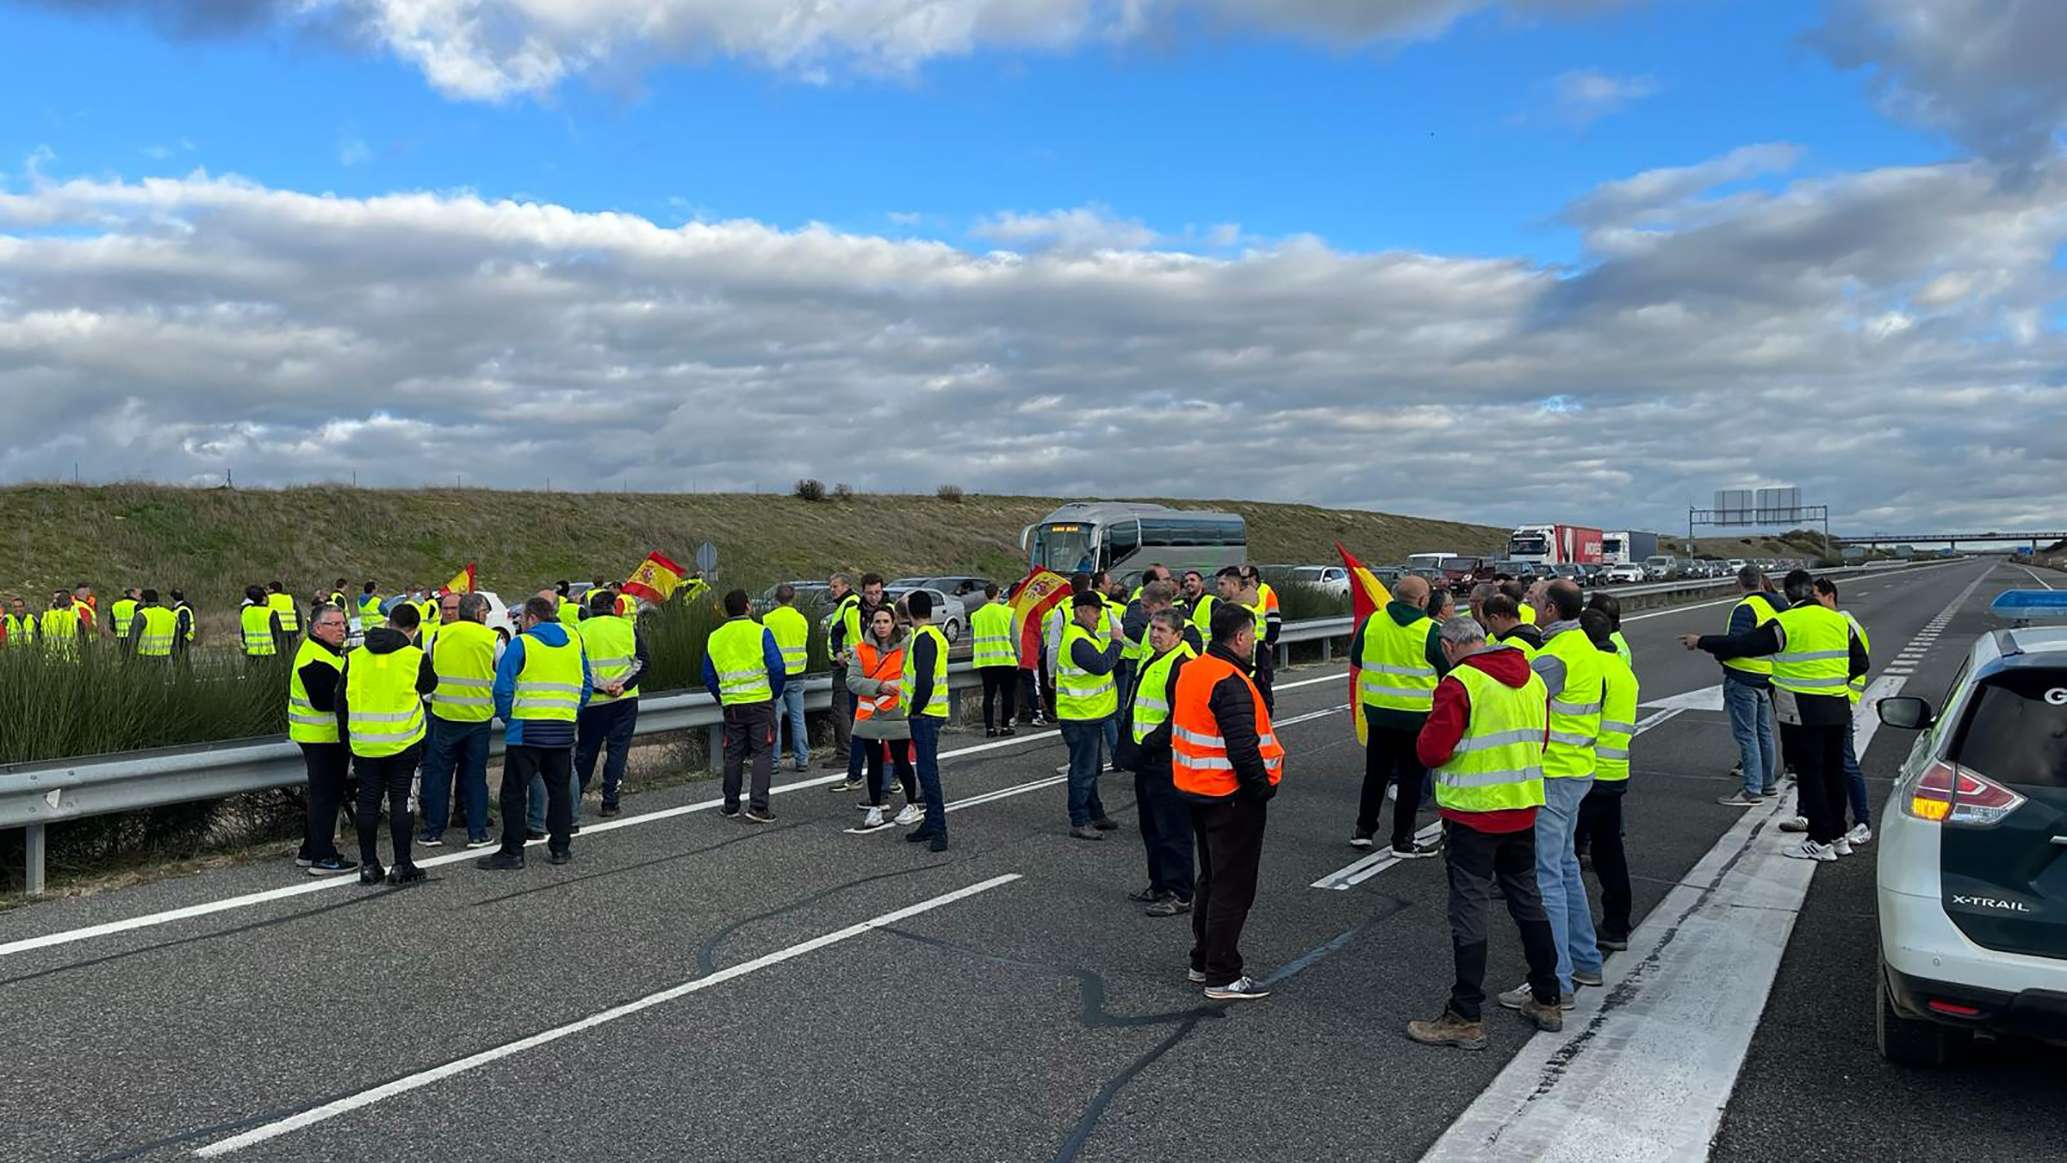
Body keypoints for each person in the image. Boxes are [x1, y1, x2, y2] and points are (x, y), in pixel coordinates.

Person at [1406, 616, 1563, 1049]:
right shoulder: (1531, 679)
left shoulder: (1460, 683)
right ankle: (1547, 995)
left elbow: (1432, 751)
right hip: (1523, 805)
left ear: (1450, 645)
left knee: (1469, 909)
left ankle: (1465, 1014)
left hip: (1473, 814)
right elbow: (1542, 741)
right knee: (1527, 898)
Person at [1682, 570, 1867, 861]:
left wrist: (1701, 640)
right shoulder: (1839, 622)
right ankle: (1837, 836)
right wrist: (1831, 680)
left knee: (1810, 775)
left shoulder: (1787, 623)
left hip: (1801, 710)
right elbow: (1861, 662)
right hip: (1837, 707)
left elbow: (1742, 645)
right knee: (1834, 773)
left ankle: (1818, 840)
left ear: (1789, 593)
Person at [1497, 579, 1604, 1011]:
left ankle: (1555, 982)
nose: (1529, 607)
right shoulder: (1583, 647)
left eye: (1536, 601)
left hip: (1553, 775)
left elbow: (1520, 697)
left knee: (1546, 879)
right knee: (1565, 868)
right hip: (1577, 770)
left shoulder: (1556, 656)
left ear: (1553, 609)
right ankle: (1586, 961)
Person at [1173, 602, 1284, 1001]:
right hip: (1231, 795)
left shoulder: (1193, 670)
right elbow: (1244, 748)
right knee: (1233, 888)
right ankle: (1222, 973)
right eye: (1251, 634)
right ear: (1239, 637)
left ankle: (1202, 960)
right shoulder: (1230, 681)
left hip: (1197, 790)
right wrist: (1262, 789)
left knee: (1212, 879)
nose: (1254, 640)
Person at [480, 596, 593, 870]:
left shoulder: (522, 644)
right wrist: (570, 712)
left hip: (526, 730)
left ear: (531, 618)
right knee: (560, 790)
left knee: (514, 792)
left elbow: (502, 688)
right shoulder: (574, 641)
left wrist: (510, 718)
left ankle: (513, 851)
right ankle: (560, 848)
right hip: (562, 729)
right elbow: (587, 684)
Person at [335, 602, 437, 886]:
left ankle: (369, 866)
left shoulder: (354, 657)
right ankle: (402, 864)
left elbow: (340, 702)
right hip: (403, 743)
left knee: (367, 802)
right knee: (400, 800)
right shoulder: (414, 657)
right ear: (413, 630)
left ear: (388, 623)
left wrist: (348, 740)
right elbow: (430, 685)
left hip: (365, 744)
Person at [1349, 573, 1445, 858]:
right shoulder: (1431, 630)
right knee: (1410, 779)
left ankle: (1363, 831)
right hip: (1416, 717)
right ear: (1423, 599)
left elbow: (1356, 658)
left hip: (1378, 714)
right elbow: (1446, 668)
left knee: (1375, 775)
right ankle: (1402, 840)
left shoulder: (1373, 622)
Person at [1784, 578, 1873, 847]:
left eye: (1816, 595)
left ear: (1830, 596)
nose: (1811, 601)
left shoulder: (1845, 623)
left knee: (1843, 764)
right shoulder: (1815, 621)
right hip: (1821, 704)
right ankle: (1806, 814)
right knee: (1810, 762)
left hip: (1839, 702)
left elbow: (1858, 663)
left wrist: (1834, 686)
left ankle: (1862, 822)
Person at [1123, 606, 1197, 916]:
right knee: (1151, 827)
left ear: (1178, 635)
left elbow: (1178, 716)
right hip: (1147, 760)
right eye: (1153, 628)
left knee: (1173, 829)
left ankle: (1180, 892)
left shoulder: (1183, 666)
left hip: (1167, 760)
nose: (1154, 634)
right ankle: (1159, 883)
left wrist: (1150, 743)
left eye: (1162, 630)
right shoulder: (1155, 660)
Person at [1577, 608, 1638, 950]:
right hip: (1615, 772)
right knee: (1609, 852)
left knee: (1561, 859)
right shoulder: (1622, 669)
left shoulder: (1591, 670)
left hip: (1586, 771)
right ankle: (1617, 924)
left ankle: (1571, 935)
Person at [419, 591, 500, 849]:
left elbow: (428, 672)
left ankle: (433, 831)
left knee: (439, 775)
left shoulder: (437, 636)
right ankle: (477, 833)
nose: (486, 616)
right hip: (479, 718)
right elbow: (504, 672)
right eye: (485, 612)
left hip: (444, 715)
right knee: (475, 776)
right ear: (478, 613)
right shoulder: (493, 638)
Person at [704, 588, 785, 823]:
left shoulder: (715, 637)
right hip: (760, 702)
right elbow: (777, 668)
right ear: (748, 606)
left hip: (732, 706)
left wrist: (723, 696)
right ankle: (758, 807)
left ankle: (730, 805)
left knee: (733, 754)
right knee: (762, 753)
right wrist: (773, 693)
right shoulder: (760, 632)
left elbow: (708, 674)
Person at [288, 604, 356, 876]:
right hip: (321, 738)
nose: (342, 629)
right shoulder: (315, 659)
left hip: (325, 736)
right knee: (325, 797)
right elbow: (325, 701)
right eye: (335, 625)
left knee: (323, 795)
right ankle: (323, 856)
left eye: (343, 624)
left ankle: (310, 849)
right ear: (318, 628)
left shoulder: (327, 653)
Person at [1713, 566, 1786, 807]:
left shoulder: (1745, 608)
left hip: (1743, 678)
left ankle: (1752, 790)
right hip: (1767, 677)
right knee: (1764, 733)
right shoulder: (1776, 605)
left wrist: (1713, 649)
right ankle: (1768, 784)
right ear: (1763, 582)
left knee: (1747, 736)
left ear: (1738, 583)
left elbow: (1736, 644)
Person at [848, 606, 924, 831]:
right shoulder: (861, 649)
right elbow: (852, 680)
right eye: (877, 621)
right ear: (872, 623)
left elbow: (912, 674)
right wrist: (879, 686)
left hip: (896, 712)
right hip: (870, 713)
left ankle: (911, 804)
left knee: (901, 760)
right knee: (873, 762)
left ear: (893, 624)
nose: (881, 626)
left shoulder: (905, 648)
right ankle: (876, 805)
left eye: (885, 621)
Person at [576, 587, 648, 819]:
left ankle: (572, 798)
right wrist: (623, 686)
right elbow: (644, 662)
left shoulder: (580, 630)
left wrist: (600, 686)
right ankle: (610, 801)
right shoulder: (627, 627)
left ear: (591, 609)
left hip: (593, 702)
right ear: (614, 608)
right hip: (624, 701)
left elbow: (579, 667)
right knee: (618, 750)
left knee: (586, 752)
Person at [1057, 591, 1124, 841]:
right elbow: (1100, 665)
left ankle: (1095, 813)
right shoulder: (1077, 640)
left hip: (1089, 715)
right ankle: (1080, 819)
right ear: (1081, 611)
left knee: (1091, 768)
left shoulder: (1085, 635)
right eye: (1096, 610)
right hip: (1080, 716)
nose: (1099, 616)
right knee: (1083, 770)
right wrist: (1117, 643)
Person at [827, 573, 888, 791]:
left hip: (884, 681)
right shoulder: (853, 611)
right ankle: (854, 776)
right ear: (863, 591)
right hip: (859, 678)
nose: (874, 597)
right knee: (859, 728)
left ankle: (891, 778)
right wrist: (838, 653)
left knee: (886, 731)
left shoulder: (889, 611)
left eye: (878, 592)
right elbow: (836, 632)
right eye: (870, 593)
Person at [902, 589, 952, 851]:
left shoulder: (923, 638)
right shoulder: (933, 635)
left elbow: (923, 680)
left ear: (911, 612)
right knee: (926, 769)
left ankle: (938, 827)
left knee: (928, 772)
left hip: (926, 714)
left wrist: (916, 708)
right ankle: (932, 823)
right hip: (932, 712)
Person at [760, 584, 812, 771]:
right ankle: (802, 759)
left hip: (776, 676)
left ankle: (774, 762)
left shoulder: (767, 619)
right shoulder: (801, 620)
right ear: (793, 598)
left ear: (775, 599)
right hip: (797, 673)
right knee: (798, 719)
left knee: (775, 720)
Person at [823, 572, 861, 770]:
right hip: (844, 665)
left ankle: (845, 753)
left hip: (845, 666)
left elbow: (855, 636)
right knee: (845, 710)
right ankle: (849, 751)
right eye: (831, 586)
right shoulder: (846, 605)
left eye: (835, 586)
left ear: (846, 586)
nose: (832, 590)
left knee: (841, 711)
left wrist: (844, 656)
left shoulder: (851, 604)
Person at [970, 583, 1019, 736]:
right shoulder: (1008, 613)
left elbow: (972, 641)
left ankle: (989, 729)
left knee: (988, 695)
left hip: (985, 662)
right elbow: (1015, 639)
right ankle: (1005, 727)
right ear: (998, 594)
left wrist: (975, 656)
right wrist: (1019, 657)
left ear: (986, 595)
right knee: (1007, 695)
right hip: (1006, 660)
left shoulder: (976, 615)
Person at [125, 589, 178, 659]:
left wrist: (131, 658)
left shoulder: (141, 615)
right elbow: (177, 639)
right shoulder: (171, 615)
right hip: (166, 657)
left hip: (145, 657)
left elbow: (133, 639)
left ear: (144, 601)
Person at [239, 584, 282, 662]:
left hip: (251, 653)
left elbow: (243, 633)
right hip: (268, 653)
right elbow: (277, 634)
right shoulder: (270, 612)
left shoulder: (246, 612)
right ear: (264, 598)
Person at [40, 592, 82, 657]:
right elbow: (82, 639)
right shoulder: (75, 618)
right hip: (70, 657)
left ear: (56, 604)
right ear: (70, 604)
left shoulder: (46, 617)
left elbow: (40, 636)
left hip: (49, 657)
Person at [266, 581, 301, 645]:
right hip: (291, 631)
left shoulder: (268, 599)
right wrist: (298, 630)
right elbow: (298, 616)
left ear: (272, 590)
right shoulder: (289, 598)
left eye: (267, 589)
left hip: (277, 631)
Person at [110, 587, 140, 652]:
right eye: (139, 594)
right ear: (132, 594)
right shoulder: (136, 605)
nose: (140, 597)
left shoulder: (115, 605)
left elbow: (111, 624)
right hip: (133, 637)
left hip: (120, 637)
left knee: (124, 658)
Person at [170, 590, 197, 655]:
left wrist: (179, 638)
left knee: (181, 658)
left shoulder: (182, 609)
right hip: (184, 637)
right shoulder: (184, 607)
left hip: (183, 638)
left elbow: (185, 625)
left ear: (173, 598)